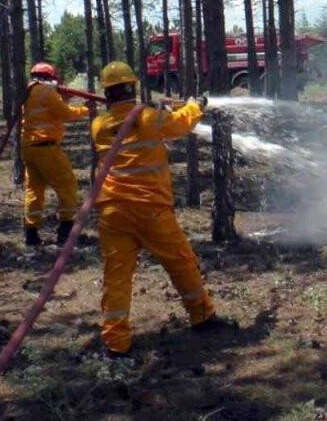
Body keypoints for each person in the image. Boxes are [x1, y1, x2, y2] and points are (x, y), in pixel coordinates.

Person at [90, 61, 231, 358]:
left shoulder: (98, 126)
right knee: (181, 262)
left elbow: (131, 121)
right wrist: (195, 105)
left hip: (112, 212)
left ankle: (116, 342)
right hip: (149, 209)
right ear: (132, 87)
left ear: (107, 92)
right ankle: (202, 316)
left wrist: (157, 108)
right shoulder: (148, 118)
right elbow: (180, 124)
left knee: (116, 277)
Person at [21, 62, 91, 247]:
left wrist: (63, 98)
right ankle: (65, 231)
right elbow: (65, 114)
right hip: (46, 147)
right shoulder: (46, 91)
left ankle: (31, 234)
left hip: (29, 148)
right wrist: (86, 109)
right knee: (67, 185)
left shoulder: (29, 91)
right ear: (50, 78)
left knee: (34, 190)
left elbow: (50, 112)